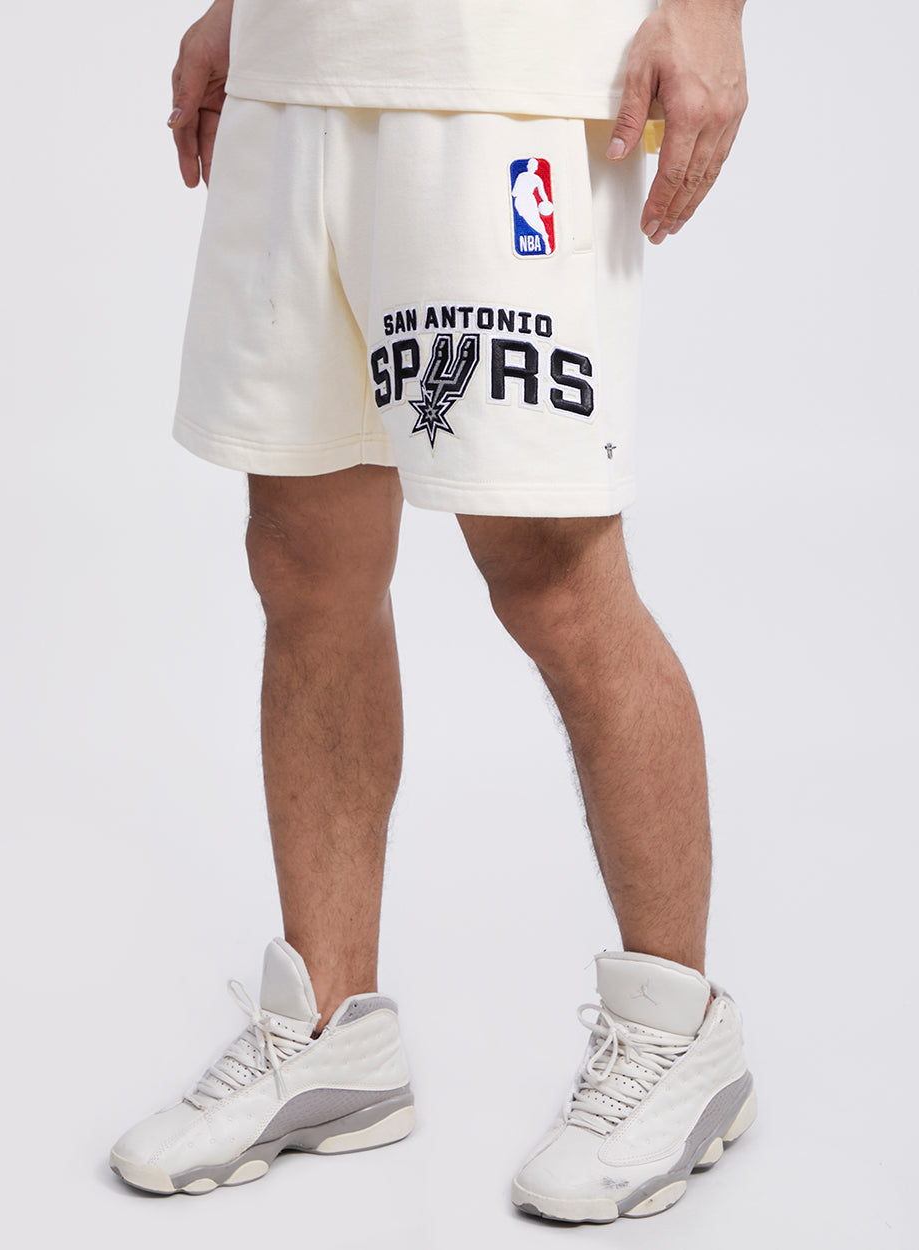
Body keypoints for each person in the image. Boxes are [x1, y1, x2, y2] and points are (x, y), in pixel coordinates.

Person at [110, 0, 754, 1223]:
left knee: (552, 573)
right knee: (302, 561)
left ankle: (679, 1030)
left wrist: (711, 14)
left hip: (503, 83)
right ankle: (331, 1030)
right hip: (297, 79)